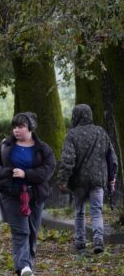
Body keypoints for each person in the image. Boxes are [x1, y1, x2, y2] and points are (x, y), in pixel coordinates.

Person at [0, 112, 56, 276]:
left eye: (20, 127)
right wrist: (4, 172)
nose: (16, 130)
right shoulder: (5, 145)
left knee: (33, 231)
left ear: (30, 128)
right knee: (21, 231)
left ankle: (28, 264)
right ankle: (23, 267)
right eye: (14, 127)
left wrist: (26, 174)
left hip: (35, 195)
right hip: (11, 195)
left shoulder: (43, 149)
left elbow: (48, 170)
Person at [56, 104, 118, 254]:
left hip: (79, 182)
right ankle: (98, 240)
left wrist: (63, 179)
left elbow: (67, 159)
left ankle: (80, 242)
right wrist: (112, 178)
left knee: (79, 211)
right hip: (98, 180)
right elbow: (111, 158)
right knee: (97, 211)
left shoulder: (72, 135)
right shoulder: (101, 132)